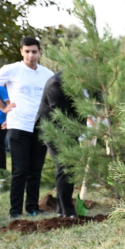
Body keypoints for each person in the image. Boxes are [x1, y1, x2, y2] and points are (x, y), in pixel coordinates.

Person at [0, 36, 55, 218]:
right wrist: (2, 107)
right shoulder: (12, 69)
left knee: (35, 170)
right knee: (20, 170)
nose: (31, 55)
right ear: (21, 52)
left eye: (34, 52)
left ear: (39, 52)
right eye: (27, 51)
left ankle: (32, 208)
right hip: (19, 125)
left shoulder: (47, 74)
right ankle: (15, 211)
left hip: (41, 126)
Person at [37, 72, 83, 218]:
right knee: (64, 166)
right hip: (54, 130)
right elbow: (61, 116)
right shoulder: (56, 84)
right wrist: (83, 131)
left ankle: (62, 209)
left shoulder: (83, 83)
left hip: (70, 129)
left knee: (69, 167)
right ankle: (67, 211)